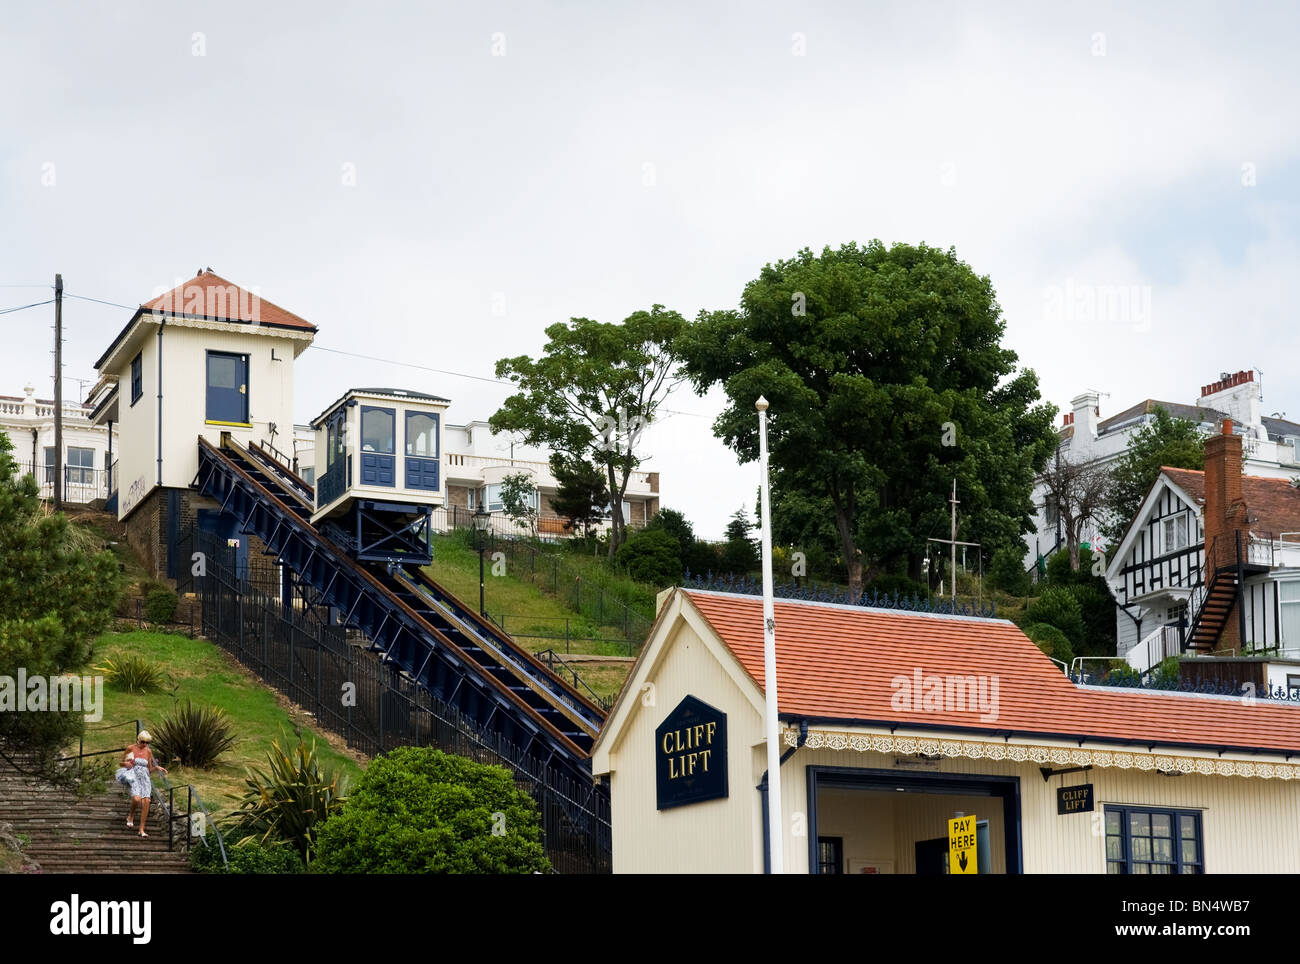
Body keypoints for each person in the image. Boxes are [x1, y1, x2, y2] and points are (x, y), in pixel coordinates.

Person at [122, 731, 167, 838]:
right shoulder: (131, 748)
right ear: (138, 740)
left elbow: (149, 769)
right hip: (133, 777)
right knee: (137, 799)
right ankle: (131, 816)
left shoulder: (148, 751)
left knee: (147, 801)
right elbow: (122, 763)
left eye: (147, 742)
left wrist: (156, 768)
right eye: (143, 742)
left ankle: (141, 829)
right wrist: (128, 764)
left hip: (145, 779)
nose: (145, 744)